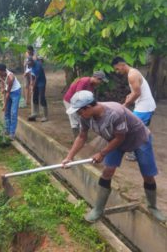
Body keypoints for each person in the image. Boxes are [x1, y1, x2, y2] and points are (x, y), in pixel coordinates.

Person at [62, 90, 165, 223]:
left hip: (138, 139)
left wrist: (102, 153)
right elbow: (82, 136)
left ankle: (153, 207)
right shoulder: (85, 117)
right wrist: (69, 157)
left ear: (88, 107)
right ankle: (98, 210)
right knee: (107, 171)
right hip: (114, 139)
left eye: (80, 111)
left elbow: (120, 138)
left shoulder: (115, 113)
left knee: (147, 175)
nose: (79, 114)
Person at [112, 57, 156, 161]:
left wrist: (126, 104)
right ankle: (141, 147)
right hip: (143, 106)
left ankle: (137, 153)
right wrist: (129, 95)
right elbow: (136, 91)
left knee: (134, 129)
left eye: (117, 69)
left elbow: (137, 93)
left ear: (122, 64)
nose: (118, 72)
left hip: (144, 107)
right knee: (139, 128)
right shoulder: (133, 72)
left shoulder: (132, 75)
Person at [63, 71, 109, 137]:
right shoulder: (84, 81)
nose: (101, 83)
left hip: (78, 101)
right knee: (74, 119)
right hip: (70, 100)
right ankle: (77, 136)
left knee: (81, 118)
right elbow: (78, 95)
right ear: (96, 78)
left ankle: (81, 136)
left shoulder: (92, 85)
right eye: (100, 81)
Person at [0, 63, 22, 140]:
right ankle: (7, 130)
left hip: (15, 92)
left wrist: (4, 104)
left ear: (3, 71)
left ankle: (12, 133)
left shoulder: (10, 77)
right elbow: (1, 81)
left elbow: (8, 93)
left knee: (13, 113)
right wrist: (2, 88)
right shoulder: (0, 73)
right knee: (6, 112)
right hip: (8, 91)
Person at [27, 57, 48, 122]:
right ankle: (35, 113)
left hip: (41, 82)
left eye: (30, 64)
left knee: (42, 97)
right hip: (36, 81)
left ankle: (45, 116)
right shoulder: (30, 65)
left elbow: (36, 78)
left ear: (32, 62)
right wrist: (31, 83)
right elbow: (32, 75)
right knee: (34, 97)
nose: (29, 66)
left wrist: (33, 87)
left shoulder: (38, 66)